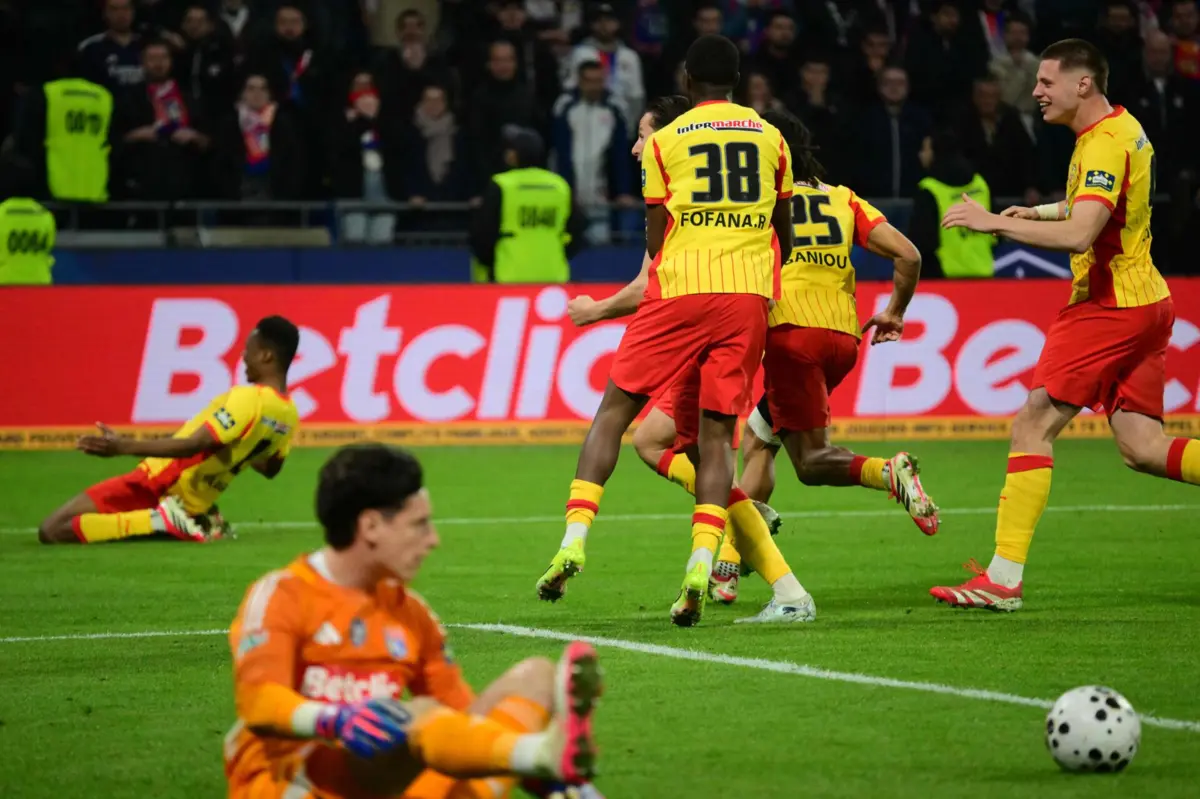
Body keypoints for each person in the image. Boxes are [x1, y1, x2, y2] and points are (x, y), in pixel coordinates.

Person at [538, 34, 813, 627]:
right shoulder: (772, 138)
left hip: (678, 290)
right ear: (738, 80)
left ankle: (574, 540)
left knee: (613, 414)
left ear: (688, 80)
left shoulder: (665, 142)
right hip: (744, 297)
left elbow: (656, 229)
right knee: (716, 440)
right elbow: (784, 227)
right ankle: (701, 561)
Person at [932, 39, 1197, 611]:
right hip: (1149, 299)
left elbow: (1081, 234)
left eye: (1047, 82)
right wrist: (1040, 211)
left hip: (1109, 304)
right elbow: (1094, 208)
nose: (1035, 91)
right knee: (1144, 449)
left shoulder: (1102, 144)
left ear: (1084, 84)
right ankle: (1002, 579)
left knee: (1032, 425)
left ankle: (1002, 580)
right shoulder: (1119, 129)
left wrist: (992, 225)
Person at [224, 444, 604, 799]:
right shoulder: (283, 594)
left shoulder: (410, 612)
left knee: (536, 678)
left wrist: (552, 785)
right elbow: (258, 702)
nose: (433, 540)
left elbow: (462, 717)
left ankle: (550, 768)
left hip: (381, 786)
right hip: (291, 785)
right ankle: (539, 755)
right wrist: (335, 720)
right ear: (371, 527)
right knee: (416, 716)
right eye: (419, 525)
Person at [714, 108, 937, 604]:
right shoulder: (844, 200)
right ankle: (728, 565)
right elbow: (910, 255)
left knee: (811, 463)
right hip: (842, 339)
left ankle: (889, 471)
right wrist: (895, 312)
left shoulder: (762, 199)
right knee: (758, 438)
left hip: (791, 335)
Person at [37, 317, 300, 545]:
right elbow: (270, 469)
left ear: (266, 356)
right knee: (61, 526)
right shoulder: (288, 414)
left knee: (53, 529)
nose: (243, 356)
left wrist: (122, 447)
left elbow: (193, 445)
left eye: (249, 350)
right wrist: (241, 447)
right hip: (196, 500)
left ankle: (158, 522)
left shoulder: (249, 398)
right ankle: (183, 519)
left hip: (160, 482)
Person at [469, 126, 587, 283]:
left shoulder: (502, 185)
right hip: (553, 275)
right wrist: (559, 252)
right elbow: (578, 229)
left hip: (509, 275)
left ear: (513, 155)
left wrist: (490, 263)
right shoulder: (559, 186)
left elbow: (483, 234)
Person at [0, 196, 56, 284]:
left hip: (5, 282)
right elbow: (49, 246)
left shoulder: (1, 212)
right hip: (40, 281)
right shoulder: (45, 214)